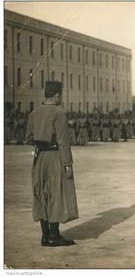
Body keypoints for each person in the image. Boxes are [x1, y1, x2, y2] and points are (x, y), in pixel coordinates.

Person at [25, 81, 78, 247]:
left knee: (42, 193)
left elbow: (28, 138)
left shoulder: (34, 113)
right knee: (56, 193)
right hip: (55, 157)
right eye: (60, 94)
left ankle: (45, 236)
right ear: (56, 95)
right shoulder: (58, 113)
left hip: (39, 158)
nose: (61, 97)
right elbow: (63, 141)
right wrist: (68, 163)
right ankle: (54, 235)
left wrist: (41, 142)